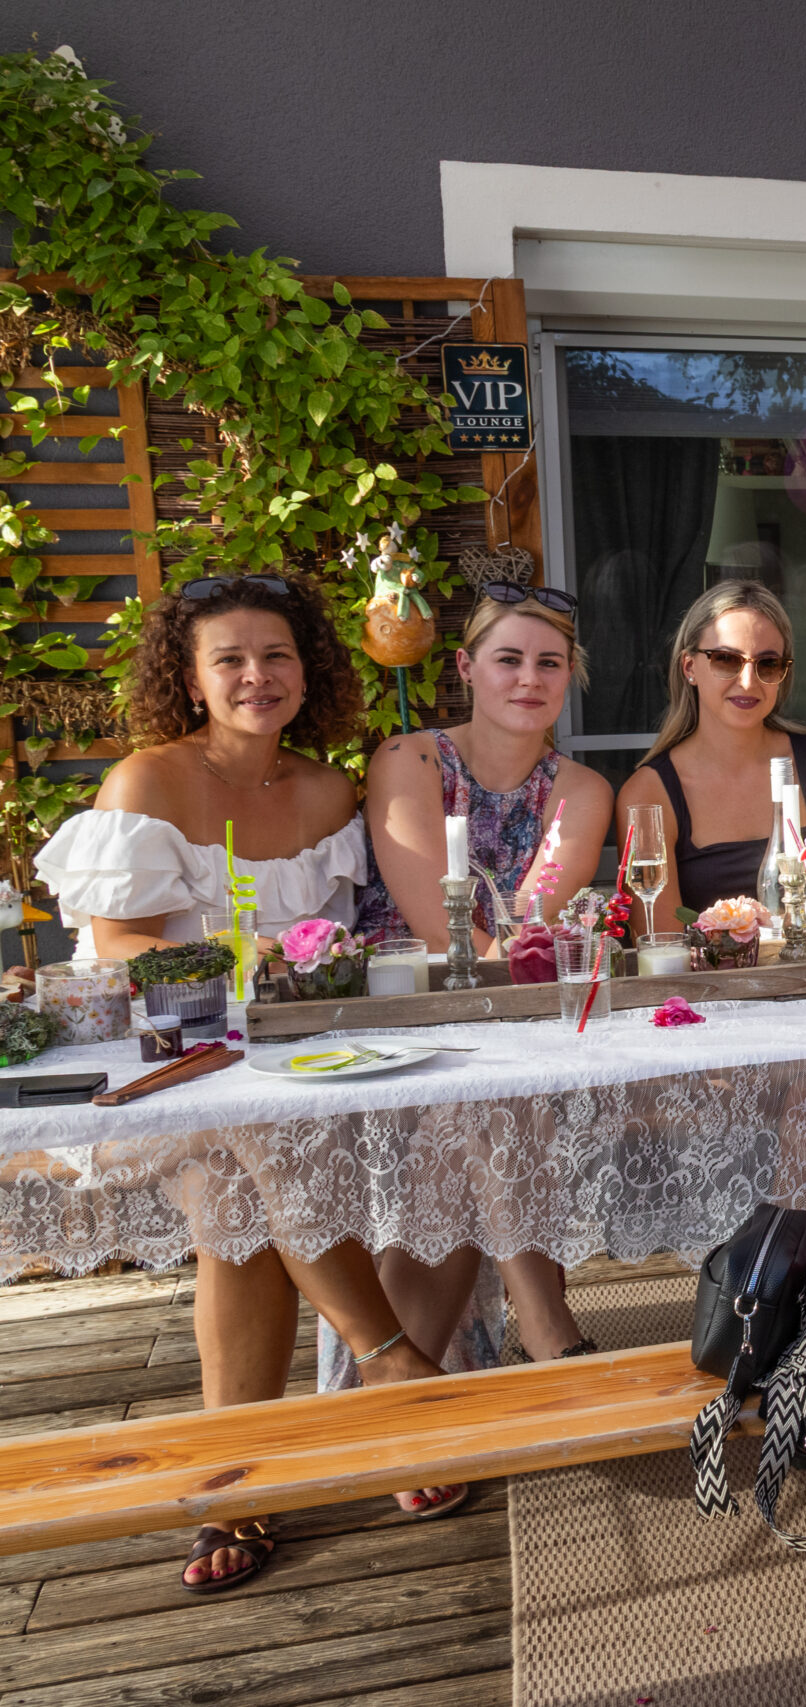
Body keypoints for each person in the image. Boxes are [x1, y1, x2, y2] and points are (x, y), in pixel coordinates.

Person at [31, 572, 466, 1592]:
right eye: (228, 659)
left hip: (306, 1061)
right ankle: (389, 1359)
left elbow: (352, 944)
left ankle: (241, 1487)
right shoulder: (149, 783)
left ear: (305, 668)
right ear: (189, 680)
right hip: (172, 1063)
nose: (256, 677)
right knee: (251, 1144)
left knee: (246, 1195)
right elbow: (124, 955)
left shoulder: (327, 791)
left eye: (275, 655)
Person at [356, 587, 613, 1366]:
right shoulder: (410, 760)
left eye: (549, 662)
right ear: (467, 667)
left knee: (477, 1100)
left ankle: (404, 1385)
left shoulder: (581, 789)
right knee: (479, 1094)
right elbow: (437, 925)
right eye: (508, 659)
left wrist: (506, 972)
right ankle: (544, 1318)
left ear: (569, 677)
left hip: (507, 1011)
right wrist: (500, 969)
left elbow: (525, 931)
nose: (529, 678)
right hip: (401, 1005)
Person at [616, 581, 806, 917]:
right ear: (689, 667)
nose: (748, 681)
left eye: (767, 664)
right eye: (726, 659)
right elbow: (661, 951)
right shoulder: (648, 793)